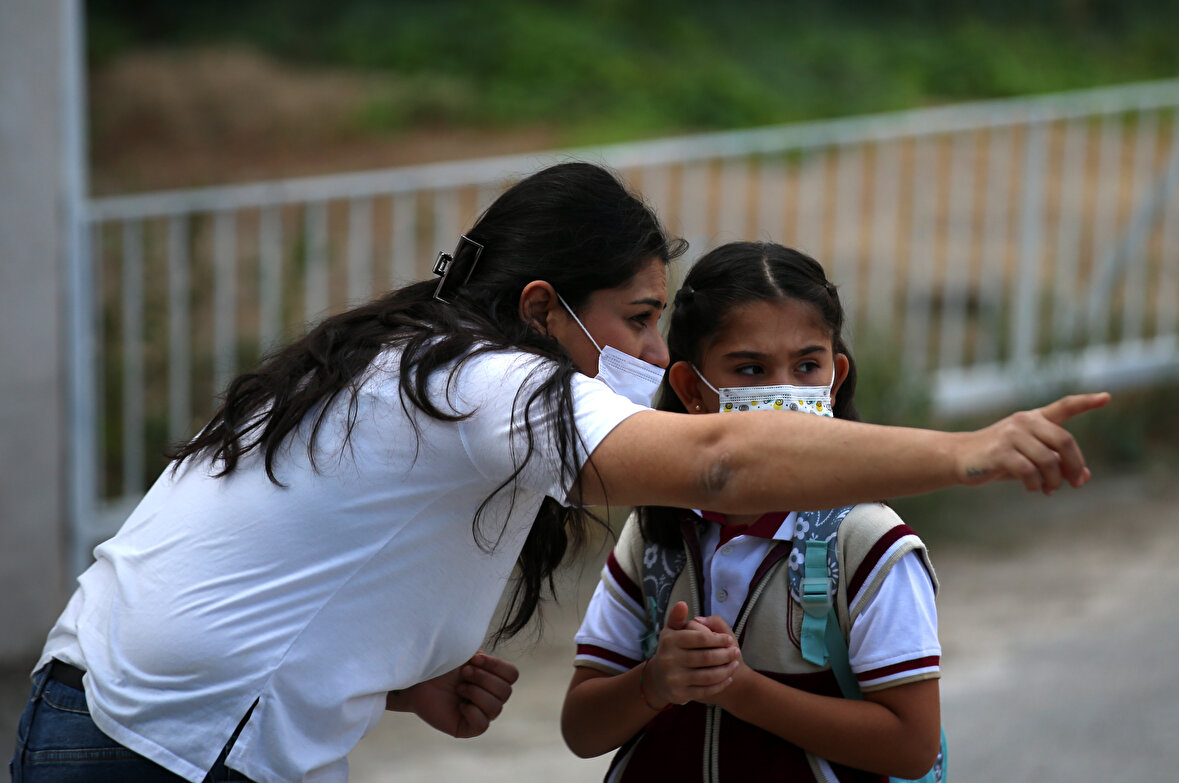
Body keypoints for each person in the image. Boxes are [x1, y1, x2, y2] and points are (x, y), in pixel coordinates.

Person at [11, 162, 1106, 783]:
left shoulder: (413, 364)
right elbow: (720, 457)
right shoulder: (482, 382)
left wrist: (399, 677)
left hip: (141, 717)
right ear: (544, 309)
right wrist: (967, 451)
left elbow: (293, 570)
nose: (640, 353)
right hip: (157, 746)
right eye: (634, 321)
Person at [562, 242, 944, 781]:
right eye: (751, 369)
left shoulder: (869, 543)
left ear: (834, 379)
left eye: (806, 365)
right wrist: (656, 682)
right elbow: (582, 730)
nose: (784, 391)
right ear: (692, 389)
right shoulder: (655, 532)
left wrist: (742, 690)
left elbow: (912, 746)